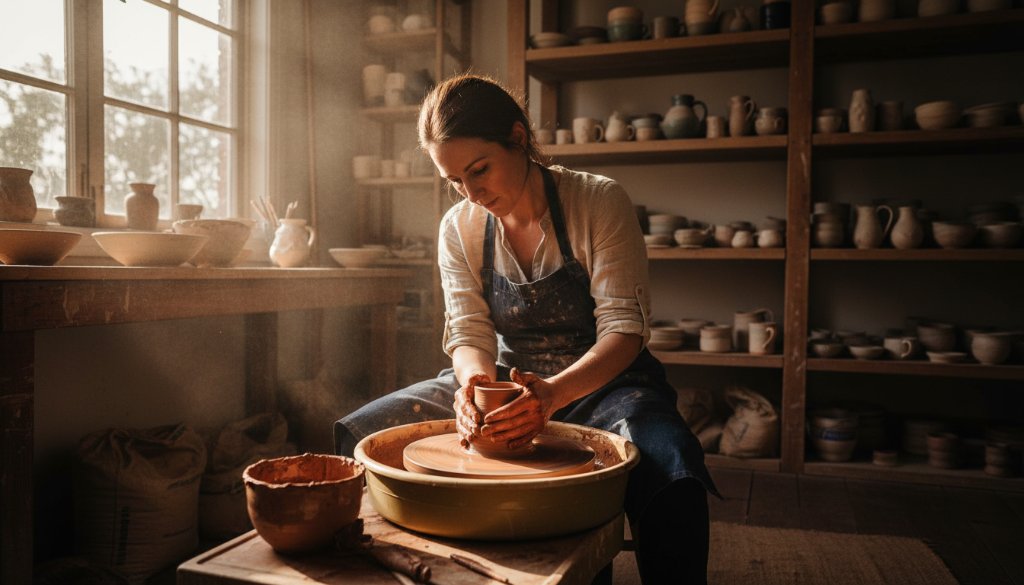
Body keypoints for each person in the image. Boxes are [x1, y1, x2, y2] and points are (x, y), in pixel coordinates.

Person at [335, 73, 718, 584]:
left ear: (518, 139)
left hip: (607, 382)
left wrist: (552, 397)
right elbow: (469, 332)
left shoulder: (597, 202)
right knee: (359, 435)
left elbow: (624, 331)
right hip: (504, 379)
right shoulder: (461, 227)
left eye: (479, 170)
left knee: (673, 469)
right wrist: (472, 387)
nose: (470, 193)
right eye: (454, 181)